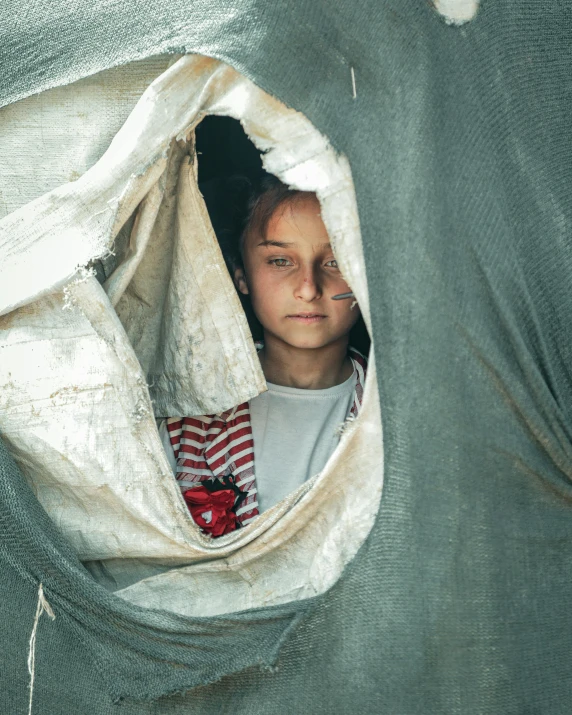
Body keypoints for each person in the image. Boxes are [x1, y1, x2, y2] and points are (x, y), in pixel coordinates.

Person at [159, 176, 367, 537]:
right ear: (241, 275)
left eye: (335, 261)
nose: (307, 288)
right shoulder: (186, 420)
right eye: (281, 260)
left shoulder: (390, 415)